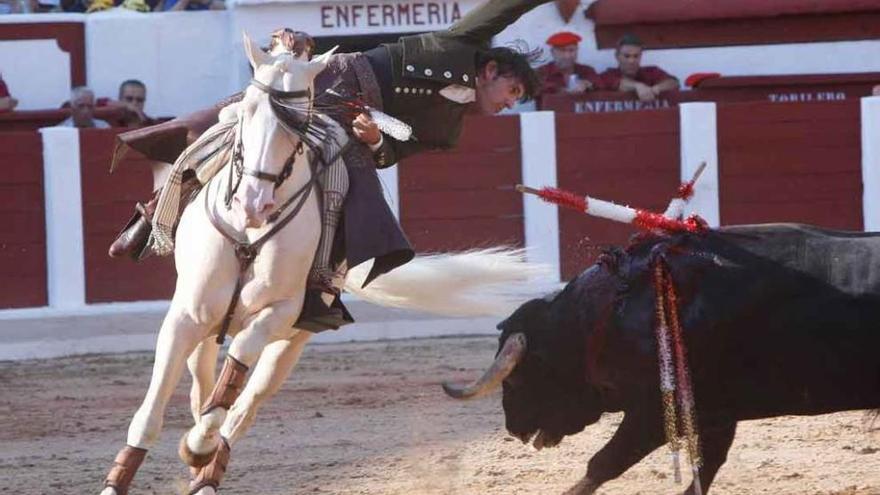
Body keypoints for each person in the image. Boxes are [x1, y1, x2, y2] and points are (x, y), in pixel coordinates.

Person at [108, 0, 549, 330]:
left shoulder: (449, 131)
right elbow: (503, 8)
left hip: (356, 128)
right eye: (512, 91)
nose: (511, 104)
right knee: (224, 126)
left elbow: (393, 154)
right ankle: (152, 217)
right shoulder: (458, 46)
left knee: (355, 195)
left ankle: (321, 288)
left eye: (518, 101)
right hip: (334, 79)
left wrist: (377, 141)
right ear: (490, 70)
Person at [601, 33, 679, 102]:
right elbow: (619, 84)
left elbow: (673, 82)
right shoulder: (609, 74)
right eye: (626, 56)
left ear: (641, 56)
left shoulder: (651, 71)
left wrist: (656, 89)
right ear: (617, 56)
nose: (631, 61)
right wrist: (638, 86)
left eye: (636, 56)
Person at [536, 31, 602, 95]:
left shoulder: (586, 70)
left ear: (577, 51)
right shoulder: (543, 71)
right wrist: (559, 89)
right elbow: (533, 87)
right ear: (552, 52)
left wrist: (587, 84)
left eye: (571, 50)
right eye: (562, 50)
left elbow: (599, 83)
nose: (567, 56)